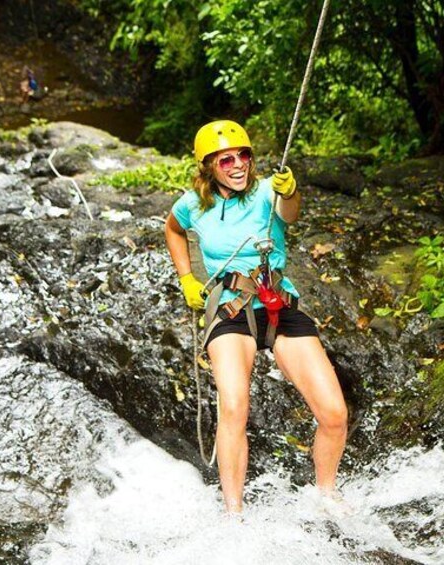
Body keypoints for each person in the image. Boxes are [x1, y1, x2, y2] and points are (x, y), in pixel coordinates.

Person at [164, 120, 348, 513]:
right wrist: (186, 279)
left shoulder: (267, 192)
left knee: (333, 413)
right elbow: (173, 230)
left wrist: (292, 191)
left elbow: (291, 213)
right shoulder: (192, 205)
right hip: (231, 309)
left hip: (278, 304)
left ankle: (326, 495)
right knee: (234, 406)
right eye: (226, 159)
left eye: (243, 155)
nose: (237, 165)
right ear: (208, 166)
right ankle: (234, 512)